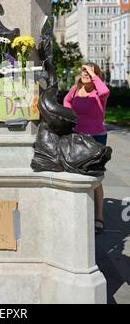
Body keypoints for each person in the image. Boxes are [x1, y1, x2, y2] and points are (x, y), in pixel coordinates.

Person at [63, 62, 110, 234]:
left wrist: (92, 72)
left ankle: (99, 217)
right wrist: (71, 115)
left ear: (95, 75)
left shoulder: (99, 92)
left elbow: (105, 90)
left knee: (95, 176)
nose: (85, 74)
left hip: (96, 137)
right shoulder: (75, 90)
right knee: (77, 173)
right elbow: (66, 101)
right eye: (83, 71)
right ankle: (80, 211)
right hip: (77, 137)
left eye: (89, 72)